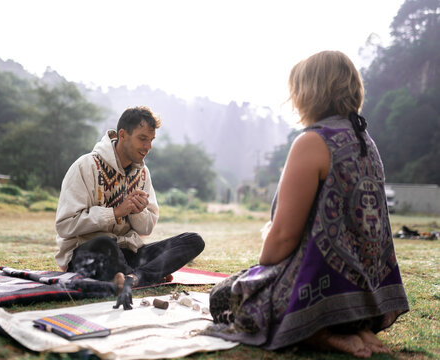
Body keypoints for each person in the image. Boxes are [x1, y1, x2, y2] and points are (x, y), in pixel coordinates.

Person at [205, 51, 409, 357]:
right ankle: (354, 329)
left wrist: (258, 275)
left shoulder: (313, 142)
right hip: (369, 305)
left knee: (222, 296)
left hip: (320, 299)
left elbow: (284, 235)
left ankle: (319, 333)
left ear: (309, 92)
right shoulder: (365, 140)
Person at [54, 106, 205, 309]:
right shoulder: (85, 166)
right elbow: (65, 225)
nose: (148, 146)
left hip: (130, 254)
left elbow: (146, 229)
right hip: (90, 254)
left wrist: (137, 212)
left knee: (193, 241)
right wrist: (115, 213)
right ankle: (144, 274)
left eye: (151, 140)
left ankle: (132, 277)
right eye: (142, 138)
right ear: (123, 135)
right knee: (105, 243)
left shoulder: (143, 174)